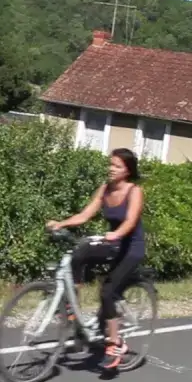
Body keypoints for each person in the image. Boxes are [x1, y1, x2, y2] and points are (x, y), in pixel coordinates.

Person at [46, 147, 146, 370]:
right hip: (113, 244)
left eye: (117, 166)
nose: (111, 169)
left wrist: (117, 233)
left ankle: (114, 343)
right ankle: (72, 309)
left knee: (107, 292)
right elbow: (85, 214)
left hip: (130, 246)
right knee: (79, 252)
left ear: (127, 170)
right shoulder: (105, 189)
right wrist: (61, 223)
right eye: (110, 164)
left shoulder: (134, 191)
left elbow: (130, 221)